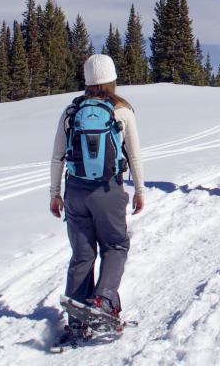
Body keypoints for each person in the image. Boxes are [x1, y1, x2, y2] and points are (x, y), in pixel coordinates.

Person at [49, 54, 146, 343]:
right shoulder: (122, 110)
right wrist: (140, 189)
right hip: (108, 190)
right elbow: (134, 155)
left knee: (82, 255)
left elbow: (57, 157)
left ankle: (77, 320)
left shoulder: (71, 110)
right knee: (115, 245)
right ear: (112, 78)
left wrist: (55, 194)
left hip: (76, 191)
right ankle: (103, 300)